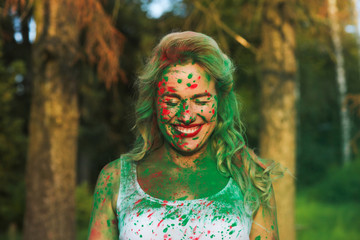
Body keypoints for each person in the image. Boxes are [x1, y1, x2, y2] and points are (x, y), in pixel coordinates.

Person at [88, 31, 281, 240]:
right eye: (172, 101)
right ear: (153, 103)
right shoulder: (116, 179)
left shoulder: (251, 179)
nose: (186, 116)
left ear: (220, 102)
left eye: (201, 100)